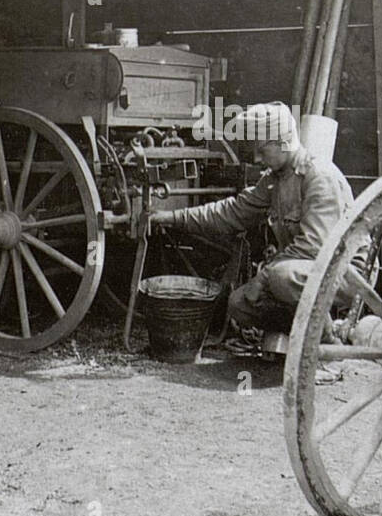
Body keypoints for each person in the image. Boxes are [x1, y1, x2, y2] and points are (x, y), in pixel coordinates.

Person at [150, 102, 365, 345]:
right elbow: (231, 212)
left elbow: (314, 248)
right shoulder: (275, 179)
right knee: (240, 304)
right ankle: (310, 337)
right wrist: (171, 217)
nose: (256, 157)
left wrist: (263, 277)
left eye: (262, 150)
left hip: (347, 272)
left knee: (281, 278)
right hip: (304, 271)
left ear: (284, 142)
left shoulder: (319, 177)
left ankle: (324, 344)